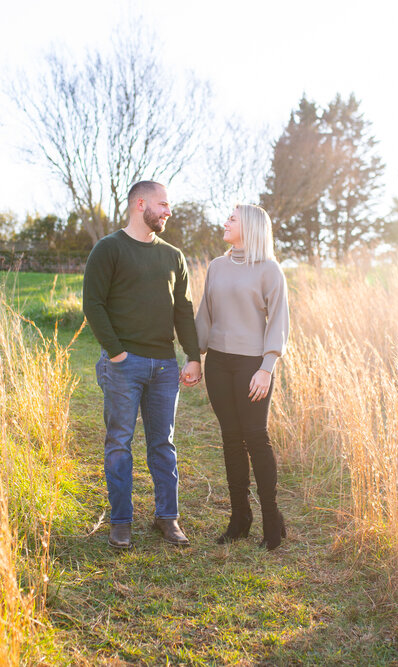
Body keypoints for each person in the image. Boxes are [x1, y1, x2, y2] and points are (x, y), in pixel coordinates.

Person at [82, 180, 203, 550]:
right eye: (163, 204)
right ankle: (121, 522)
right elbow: (93, 304)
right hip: (124, 365)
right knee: (119, 443)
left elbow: (183, 310)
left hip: (165, 366)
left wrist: (193, 356)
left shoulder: (173, 256)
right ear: (140, 204)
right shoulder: (109, 249)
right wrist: (117, 353)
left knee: (162, 444)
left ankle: (167, 518)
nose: (168, 211)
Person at [195, 204, 290, 550]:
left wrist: (267, 367)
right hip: (218, 363)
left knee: (255, 437)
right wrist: (194, 357)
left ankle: (271, 519)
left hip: (253, 366)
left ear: (249, 227)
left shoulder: (269, 269)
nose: (225, 222)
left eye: (232, 219)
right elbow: (204, 314)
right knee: (231, 438)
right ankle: (239, 519)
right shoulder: (217, 267)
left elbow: (279, 320)